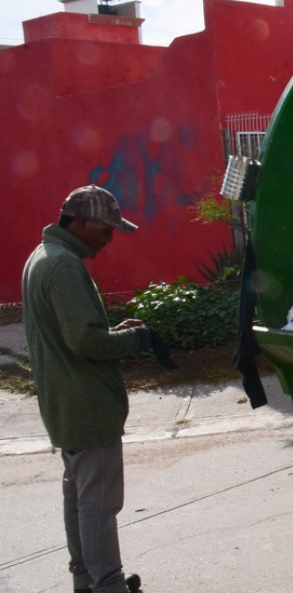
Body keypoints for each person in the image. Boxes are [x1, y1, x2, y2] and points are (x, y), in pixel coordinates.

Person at [22, 185, 159, 593]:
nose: (110, 237)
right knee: (99, 504)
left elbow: (75, 333)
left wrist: (115, 331)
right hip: (87, 403)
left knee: (79, 498)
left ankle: (85, 578)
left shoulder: (43, 256)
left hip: (64, 401)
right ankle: (108, 585)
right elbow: (85, 341)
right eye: (106, 228)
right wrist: (137, 339)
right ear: (81, 223)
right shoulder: (64, 265)